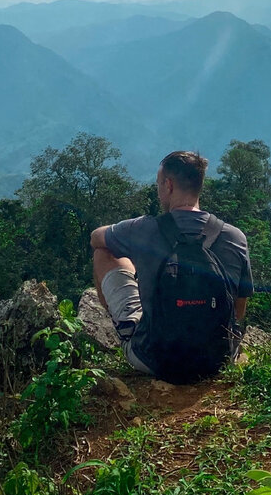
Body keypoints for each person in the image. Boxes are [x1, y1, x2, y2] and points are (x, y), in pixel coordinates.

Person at [90, 150, 252, 379]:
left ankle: (128, 331)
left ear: (168, 185)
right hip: (216, 361)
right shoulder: (235, 237)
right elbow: (239, 311)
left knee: (103, 252)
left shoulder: (143, 229)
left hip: (155, 360)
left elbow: (96, 237)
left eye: (158, 184)